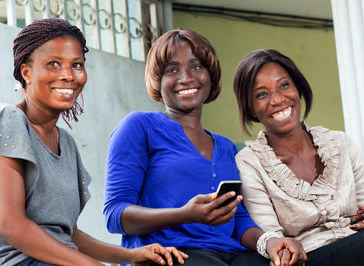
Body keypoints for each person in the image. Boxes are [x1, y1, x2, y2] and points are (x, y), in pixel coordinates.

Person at [0, 18, 187, 266]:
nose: (68, 75)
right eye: (54, 64)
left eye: (77, 65)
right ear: (26, 72)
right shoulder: (10, 121)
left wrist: (130, 255)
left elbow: (68, 235)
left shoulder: (66, 143)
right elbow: (11, 226)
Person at [104, 30, 306, 266]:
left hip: (230, 254)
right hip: (169, 255)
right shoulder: (139, 126)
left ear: (211, 77)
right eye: (172, 70)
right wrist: (185, 214)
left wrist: (270, 242)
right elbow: (115, 215)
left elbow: (238, 218)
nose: (187, 77)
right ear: (158, 81)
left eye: (196, 67)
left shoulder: (226, 147)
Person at [233, 49, 364, 266]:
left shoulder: (341, 143)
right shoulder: (249, 163)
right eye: (262, 94)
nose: (277, 99)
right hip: (308, 257)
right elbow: (273, 239)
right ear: (250, 107)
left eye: (284, 85)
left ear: (298, 88)